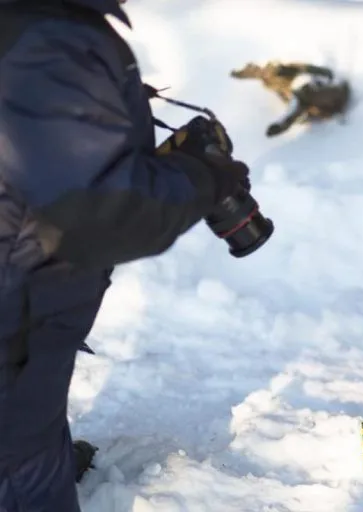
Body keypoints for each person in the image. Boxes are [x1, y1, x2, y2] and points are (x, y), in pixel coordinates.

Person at [0, 1, 250, 510]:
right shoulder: (49, 39)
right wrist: (203, 175)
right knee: (19, 444)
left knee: (31, 400)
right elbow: (96, 211)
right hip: (19, 291)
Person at [230, 61, 351, 137]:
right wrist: (280, 126)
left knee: (303, 98)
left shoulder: (283, 69)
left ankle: (332, 110)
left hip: (330, 92)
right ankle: (282, 125)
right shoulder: (281, 90)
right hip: (320, 104)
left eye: (258, 70)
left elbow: (305, 68)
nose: (262, 74)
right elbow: (292, 107)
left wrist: (324, 73)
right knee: (301, 105)